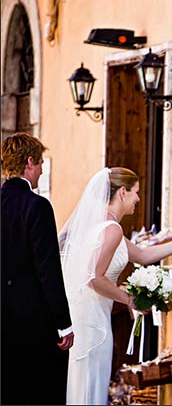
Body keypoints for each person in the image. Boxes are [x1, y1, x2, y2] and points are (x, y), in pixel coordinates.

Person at [60, 167, 172, 405]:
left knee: (84, 386)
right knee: (90, 386)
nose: (138, 199)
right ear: (122, 192)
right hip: (92, 324)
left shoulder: (103, 226)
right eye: (135, 192)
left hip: (86, 317)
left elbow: (142, 255)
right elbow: (94, 278)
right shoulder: (111, 229)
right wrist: (129, 299)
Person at [1, 133, 75, 405]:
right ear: (29, 162)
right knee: (38, 391)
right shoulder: (37, 206)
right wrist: (64, 323)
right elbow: (48, 270)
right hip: (32, 322)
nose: (43, 169)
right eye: (41, 162)